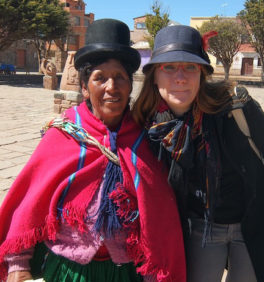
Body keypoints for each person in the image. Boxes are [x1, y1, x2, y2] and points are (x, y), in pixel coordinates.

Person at [0, 19, 186, 282]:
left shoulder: (145, 140)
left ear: (130, 85)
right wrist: (18, 265)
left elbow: (158, 216)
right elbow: (29, 206)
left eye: (120, 77)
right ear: (85, 88)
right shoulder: (63, 135)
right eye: (100, 78)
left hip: (125, 273)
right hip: (69, 271)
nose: (112, 87)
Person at [132, 24, 264, 282]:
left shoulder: (235, 107)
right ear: (154, 75)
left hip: (252, 222)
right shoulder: (149, 124)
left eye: (190, 67)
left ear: (202, 74)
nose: (181, 77)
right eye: (169, 67)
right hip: (200, 228)